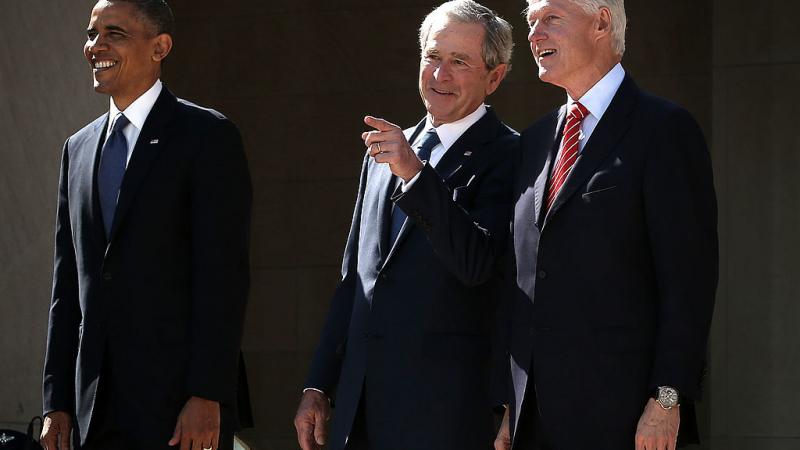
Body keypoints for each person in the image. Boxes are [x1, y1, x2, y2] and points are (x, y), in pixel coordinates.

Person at [494, 0, 718, 449]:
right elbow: (523, 279)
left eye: (551, 19)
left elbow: (689, 282)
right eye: (531, 23)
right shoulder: (535, 140)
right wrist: (509, 407)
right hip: (534, 423)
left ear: (601, 22)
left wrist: (667, 398)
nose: (534, 36)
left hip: (628, 419)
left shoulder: (664, 129)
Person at [293, 1, 517, 449]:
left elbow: (476, 264)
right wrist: (319, 384)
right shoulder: (387, 151)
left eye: (459, 62)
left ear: (495, 77)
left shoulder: (511, 155)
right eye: (433, 57)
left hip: (445, 414)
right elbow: (355, 280)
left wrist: (416, 175)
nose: (439, 75)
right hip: (360, 411)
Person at [40, 1, 252, 449]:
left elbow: (223, 279)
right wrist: (55, 400)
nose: (96, 46)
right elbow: (67, 288)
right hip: (93, 410)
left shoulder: (207, 136)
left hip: (179, 409)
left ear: (160, 47)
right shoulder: (76, 150)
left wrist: (207, 393)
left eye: (114, 34)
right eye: (92, 34)